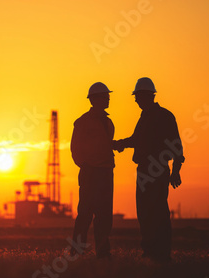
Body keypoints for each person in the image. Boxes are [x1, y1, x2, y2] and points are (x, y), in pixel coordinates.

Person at [114, 77, 185, 262]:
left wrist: (176, 170)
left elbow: (176, 146)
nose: (136, 100)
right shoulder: (147, 116)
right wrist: (118, 144)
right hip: (146, 170)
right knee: (146, 211)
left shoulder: (164, 116)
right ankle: (151, 251)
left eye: (137, 96)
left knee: (157, 211)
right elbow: (136, 140)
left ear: (145, 96)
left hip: (156, 170)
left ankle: (160, 252)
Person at [71, 82, 115, 258]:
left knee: (104, 216)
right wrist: (86, 166)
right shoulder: (82, 122)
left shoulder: (108, 121)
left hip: (105, 172)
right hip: (91, 173)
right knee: (85, 214)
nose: (108, 99)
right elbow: (75, 148)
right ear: (95, 100)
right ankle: (77, 250)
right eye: (105, 97)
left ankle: (103, 252)